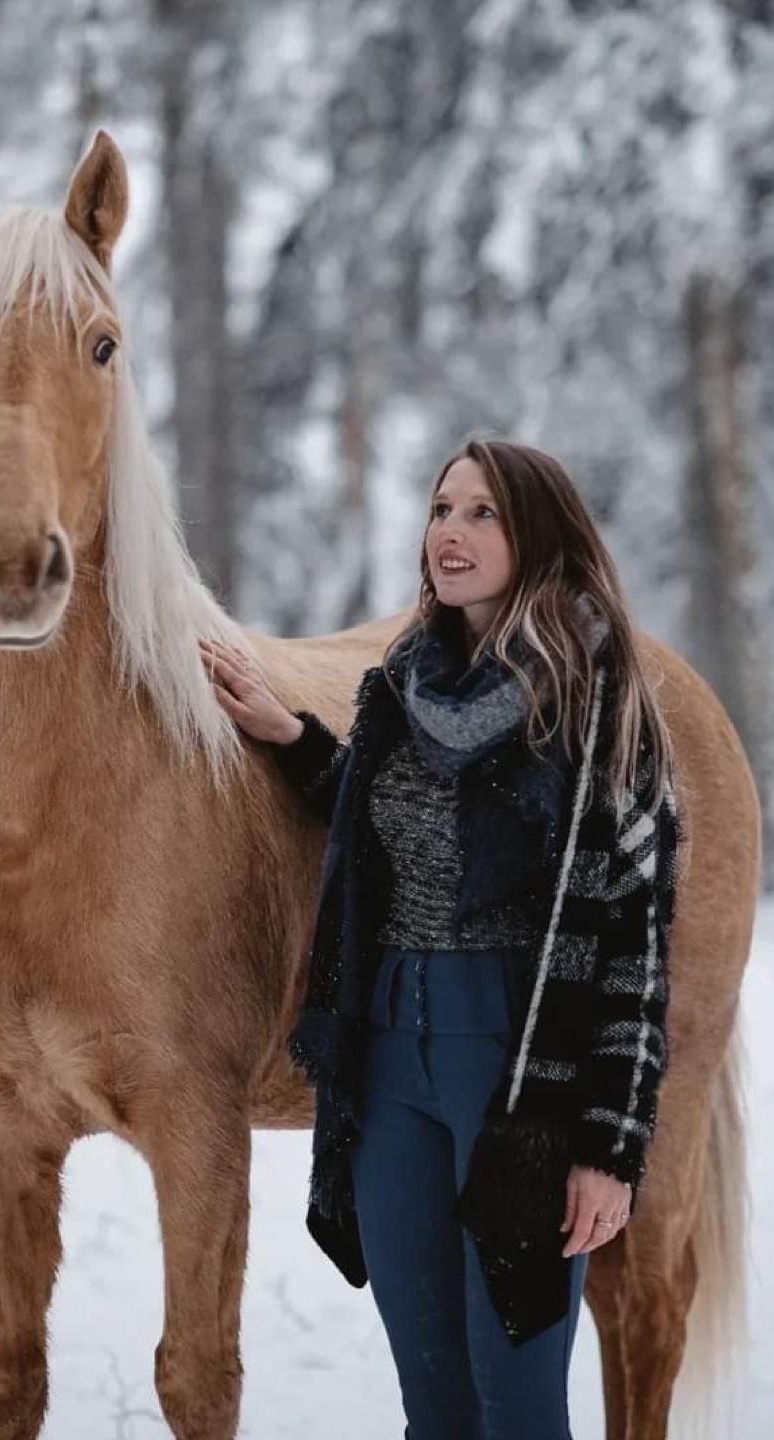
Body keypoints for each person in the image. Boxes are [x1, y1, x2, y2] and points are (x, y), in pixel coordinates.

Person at [198, 439, 679, 1440]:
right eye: (441, 508)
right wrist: (294, 739)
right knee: (435, 1410)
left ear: (538, 534)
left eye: (484, 514)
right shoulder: (405, 681)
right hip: (384, 1071)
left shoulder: (597, 697)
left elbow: (633, 947)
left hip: (518, 1076)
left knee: (519, 1411)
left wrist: (609, 1146)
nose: (451, 533)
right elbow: (389, 836)